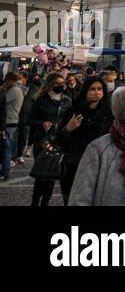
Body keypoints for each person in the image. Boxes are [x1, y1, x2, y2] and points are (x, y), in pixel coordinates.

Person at [53, 74, 114, 203]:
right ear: (85, 91)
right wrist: (68, 129)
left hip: (99, 165)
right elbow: (58, 140)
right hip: (74, 164)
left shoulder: (109, 114)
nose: (96, 92)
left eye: (99, 89)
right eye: (92, 89)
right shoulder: (74, 110)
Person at [28, 73, 68, 206]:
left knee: (51, 175)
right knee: (41, 174)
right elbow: (30, 119)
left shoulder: (66, 101)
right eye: (58, 84)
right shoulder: (40, 100)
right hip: (42, 141)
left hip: (58, 142)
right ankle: (35, 202)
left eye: (63, 84)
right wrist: (42, 123)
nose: (61, 86)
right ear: (50, 85)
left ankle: (45, 202)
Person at [1, 72, 25, 181]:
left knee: (6, 148)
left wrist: (2, 89)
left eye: (6, 80)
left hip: (9, 121)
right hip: (11, 121)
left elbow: (2, 99)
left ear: (10, 80)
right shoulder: (17, 89)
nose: (5, 82)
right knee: (6, 147)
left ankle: (5, 171)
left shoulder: (14, 90)